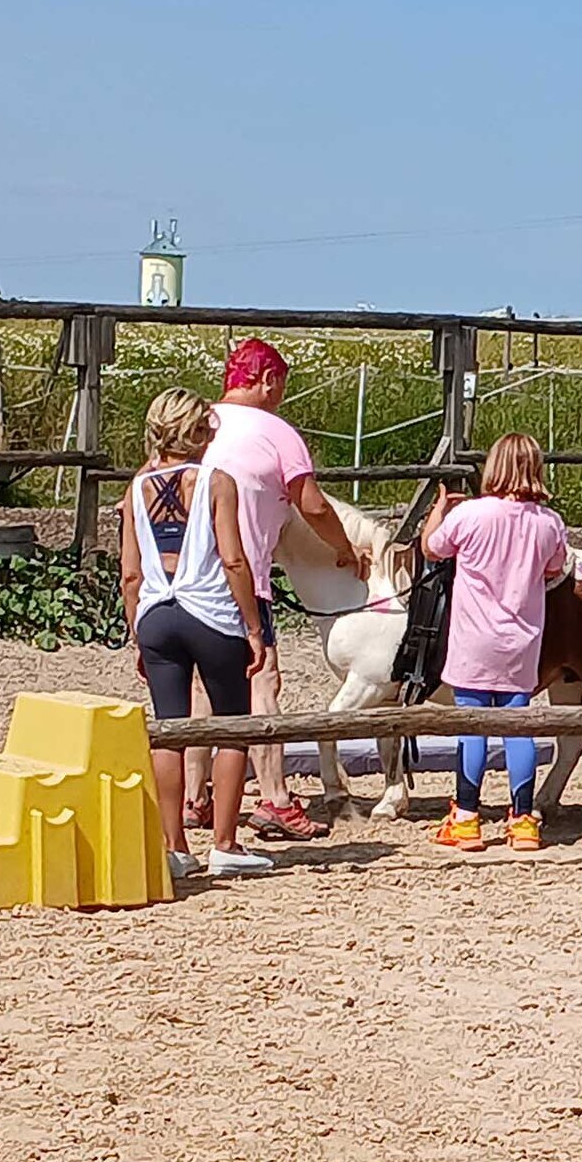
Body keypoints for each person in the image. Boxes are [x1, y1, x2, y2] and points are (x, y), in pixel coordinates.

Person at [181, 338, 369, 843]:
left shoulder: (199, 425)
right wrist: (345, 548)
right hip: (243, 577)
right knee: (262, 682)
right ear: (268, 380)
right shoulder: (277, 432)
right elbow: (312, 505)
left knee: (204, 687)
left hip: (187, 582)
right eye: (280, 386)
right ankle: (276, 799)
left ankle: (194, 797)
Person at [117, 389, 272, 879]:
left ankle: (175, 847)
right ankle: (224, 843)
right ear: (198, 431)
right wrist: (253, 627)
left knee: (170, 730)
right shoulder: (216, 481)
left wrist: (137, 633)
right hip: (209, 612)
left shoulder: (136, 488)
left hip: (156, 613)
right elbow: (233, 559)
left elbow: (130, 573)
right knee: (232, 726)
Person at [422, 433, 569, 852]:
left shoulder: (471, 514)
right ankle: (522, 820)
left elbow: (432, 549)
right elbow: (555, 568)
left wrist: (438, 510)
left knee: (473, 727)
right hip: (521, 640)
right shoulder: (549, 523)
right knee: (517, 726)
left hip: (473, 638)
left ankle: (466, 818)